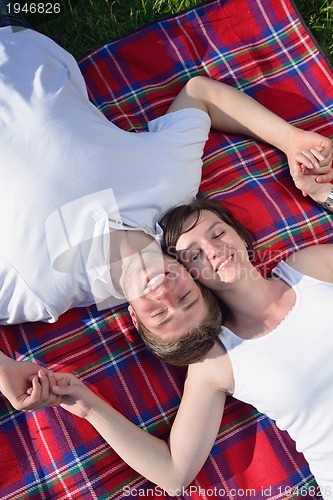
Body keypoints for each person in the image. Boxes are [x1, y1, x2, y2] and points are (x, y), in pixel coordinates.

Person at [0, 1, 332, 415]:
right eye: (188, 299)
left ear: (136, 320)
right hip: (11, 42)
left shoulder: (41, 292)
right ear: (194, 276)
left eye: (159, 314)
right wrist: (290, 141)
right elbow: (201, 95)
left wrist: (4, 370)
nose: (164, 294)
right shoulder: (171, 186)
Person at [24, 165, 333, 498]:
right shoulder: (219, 360)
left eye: (218, 234)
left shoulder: (310, 268)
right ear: (189, 276)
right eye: (195, 254)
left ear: (240, 236)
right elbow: (174, 473)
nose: (214, 251)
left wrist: (326, 196)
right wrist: (87, 405)